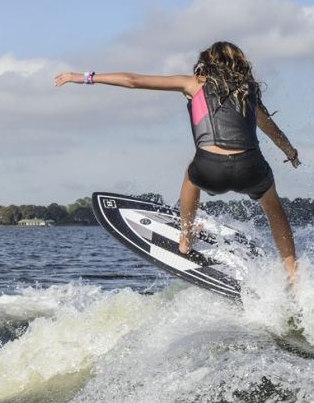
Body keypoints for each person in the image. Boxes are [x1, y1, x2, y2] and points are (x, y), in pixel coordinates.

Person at [55, 41, 301, 285]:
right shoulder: (248, 92)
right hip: (250, 168)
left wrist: (85, 77)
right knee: (272, 204)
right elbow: (272, 130)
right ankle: (292, 272)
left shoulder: (192, 84)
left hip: (209, 170)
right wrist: (290, 153)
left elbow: (133, 80)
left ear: (207, 63)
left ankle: (185, 239)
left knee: (191, 168)